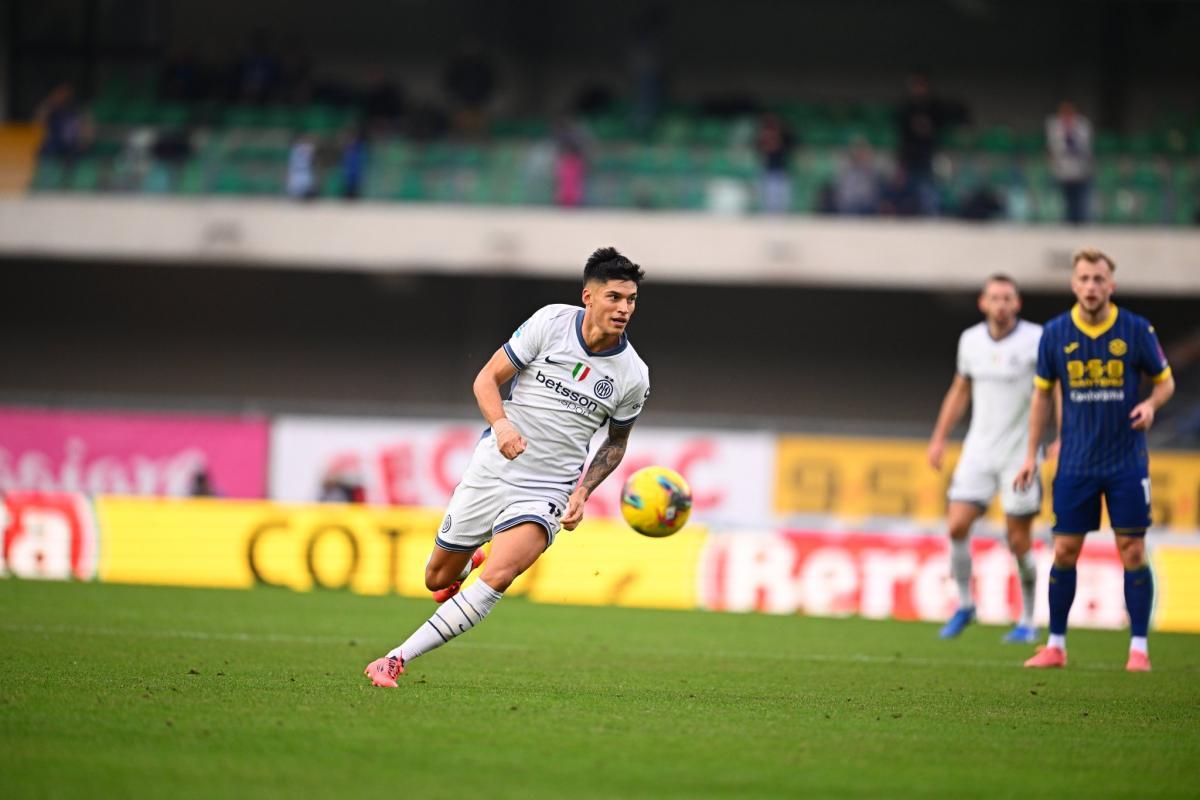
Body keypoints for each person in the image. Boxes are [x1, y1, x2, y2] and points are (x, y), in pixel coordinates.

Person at [365, 247, 650, 687]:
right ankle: (472, 555)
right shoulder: (550, 323)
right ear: (588, 297)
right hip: (495, 468)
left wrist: (581, 492)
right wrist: (500, 426)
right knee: (436, 577)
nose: (624, 308)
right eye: (614, 297)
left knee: (501, 573)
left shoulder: (633, 374)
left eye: (631, 299)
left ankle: (396, 658)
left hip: (548, 489)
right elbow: (485, 379)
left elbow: (615, 444)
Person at [1015, 248, 1174, 672]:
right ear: (1073, 284)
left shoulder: (1136, 329)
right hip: (1076, 462)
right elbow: (1042, 395)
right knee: (1065, 550)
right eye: (1084, 279)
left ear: (1111, 286)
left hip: (1126, 460)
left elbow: (1165, 380)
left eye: (1098, 279)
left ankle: (1138, 648)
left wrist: (1152, 406)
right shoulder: (1055, 333)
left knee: (1133, 550)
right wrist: (1031, 453)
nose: (1090, 287)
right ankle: (1056, 645)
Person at [928, 275, 1045, 644]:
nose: (1000, 304)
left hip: (1019, 454)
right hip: (978, 450)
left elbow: (1051, 392)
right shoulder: (970, 341)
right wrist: (940, 437)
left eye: (1006, 298)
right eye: (994, 297)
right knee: (956, 526)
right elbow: (960, 389)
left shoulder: (1036, 339)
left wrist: (1057, 438)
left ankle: (1027, 620)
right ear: (983, 303)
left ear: (1017, 303)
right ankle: (965, 604)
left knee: (1018, 540)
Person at [1045, 102, 1093, 225]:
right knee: (1066, 200)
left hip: (1080, 170)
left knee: (1080, 200)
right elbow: (1054, 149)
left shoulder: (1082, 126)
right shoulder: (1055, 127)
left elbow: (1085, 148)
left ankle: (1082, 222)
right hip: (1063, 170)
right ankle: (1067, 223)